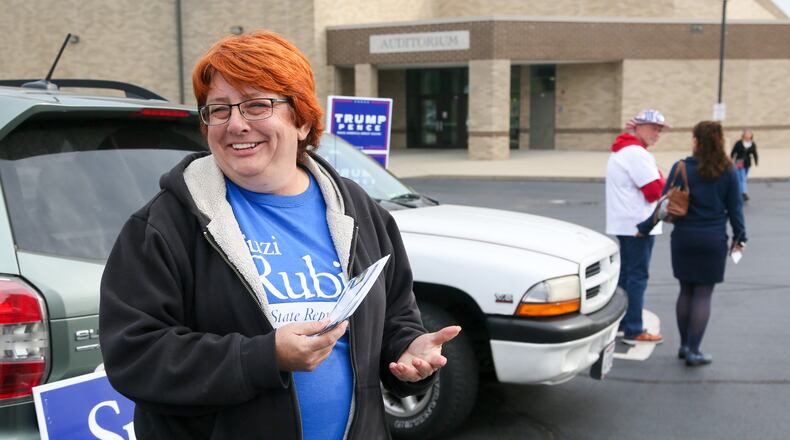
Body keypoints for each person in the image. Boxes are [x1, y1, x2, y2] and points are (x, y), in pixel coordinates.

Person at [99, 30, 460, 440]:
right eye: (218, 110)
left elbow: (394, 318)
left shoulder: (360, 214)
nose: (235, 124)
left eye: (257, 105)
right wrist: (264, 357)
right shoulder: (165, 225)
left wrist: (409, 357)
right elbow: (135, 356)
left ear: (303, 120)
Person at [637, 121, 746, 367]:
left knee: (686, 291)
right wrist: (740, 238)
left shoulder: (681, 167)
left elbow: (663, 206)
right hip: (713, 240)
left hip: (684, 239)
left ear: (696, 141)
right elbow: (736, 209)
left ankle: (684, 346)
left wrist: (644, 229)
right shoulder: (727, 170)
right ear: (720, 141)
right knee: (703, 294)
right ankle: (694, 350)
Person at [605, 109, 668, 345]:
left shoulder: (622, 150)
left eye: (659, 130)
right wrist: (663, 180)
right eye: (653, 128)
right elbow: (655, 191)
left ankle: (622, 321)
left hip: (624, 223)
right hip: (639, 224)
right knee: (637, 277)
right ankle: (633, 328)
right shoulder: (636, 153)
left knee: (626, 276)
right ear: (638, 127)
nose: (657, 134)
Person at [730, 129, 758, 201]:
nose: (748, 136)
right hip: (739, 162)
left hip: (747, 163)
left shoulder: (752, 144)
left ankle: (738, 191)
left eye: (749, 135)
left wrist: (756, 161)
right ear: (743, 135)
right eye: (746, 134)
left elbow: (754, 153)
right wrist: (731, 159)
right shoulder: (739, 143)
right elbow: (733, 152)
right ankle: (743, 193)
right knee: (742, 178)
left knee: (743, 178)